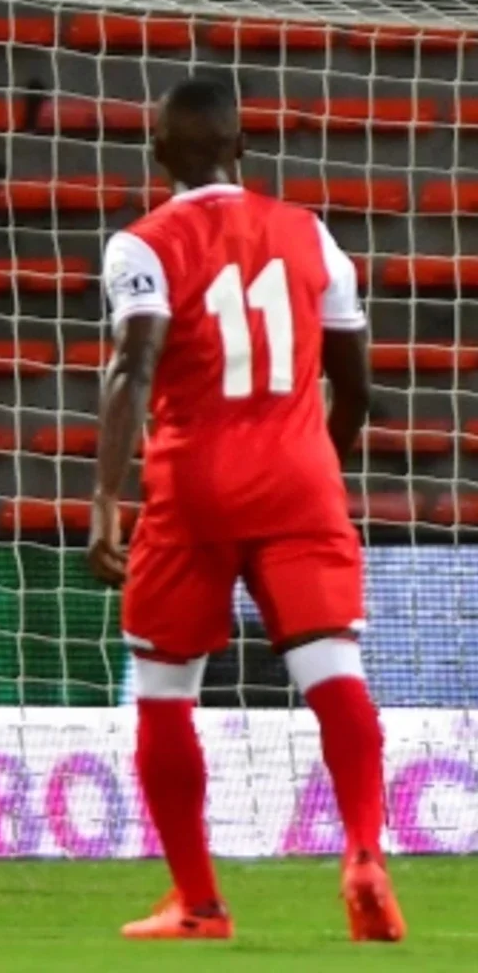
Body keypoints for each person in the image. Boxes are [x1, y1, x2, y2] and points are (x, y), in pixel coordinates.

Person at [88, 76, 403, 943]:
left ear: (157, 154)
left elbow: (134, 367)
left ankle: (199, 900)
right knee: (334, 674)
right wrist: (312, 469)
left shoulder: (141, 246)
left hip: (193, 485)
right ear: (243, 148)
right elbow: (359, 388)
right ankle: (366, 853)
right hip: (299, 478)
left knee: (163, 691)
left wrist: (108, 497)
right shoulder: (314, 238)